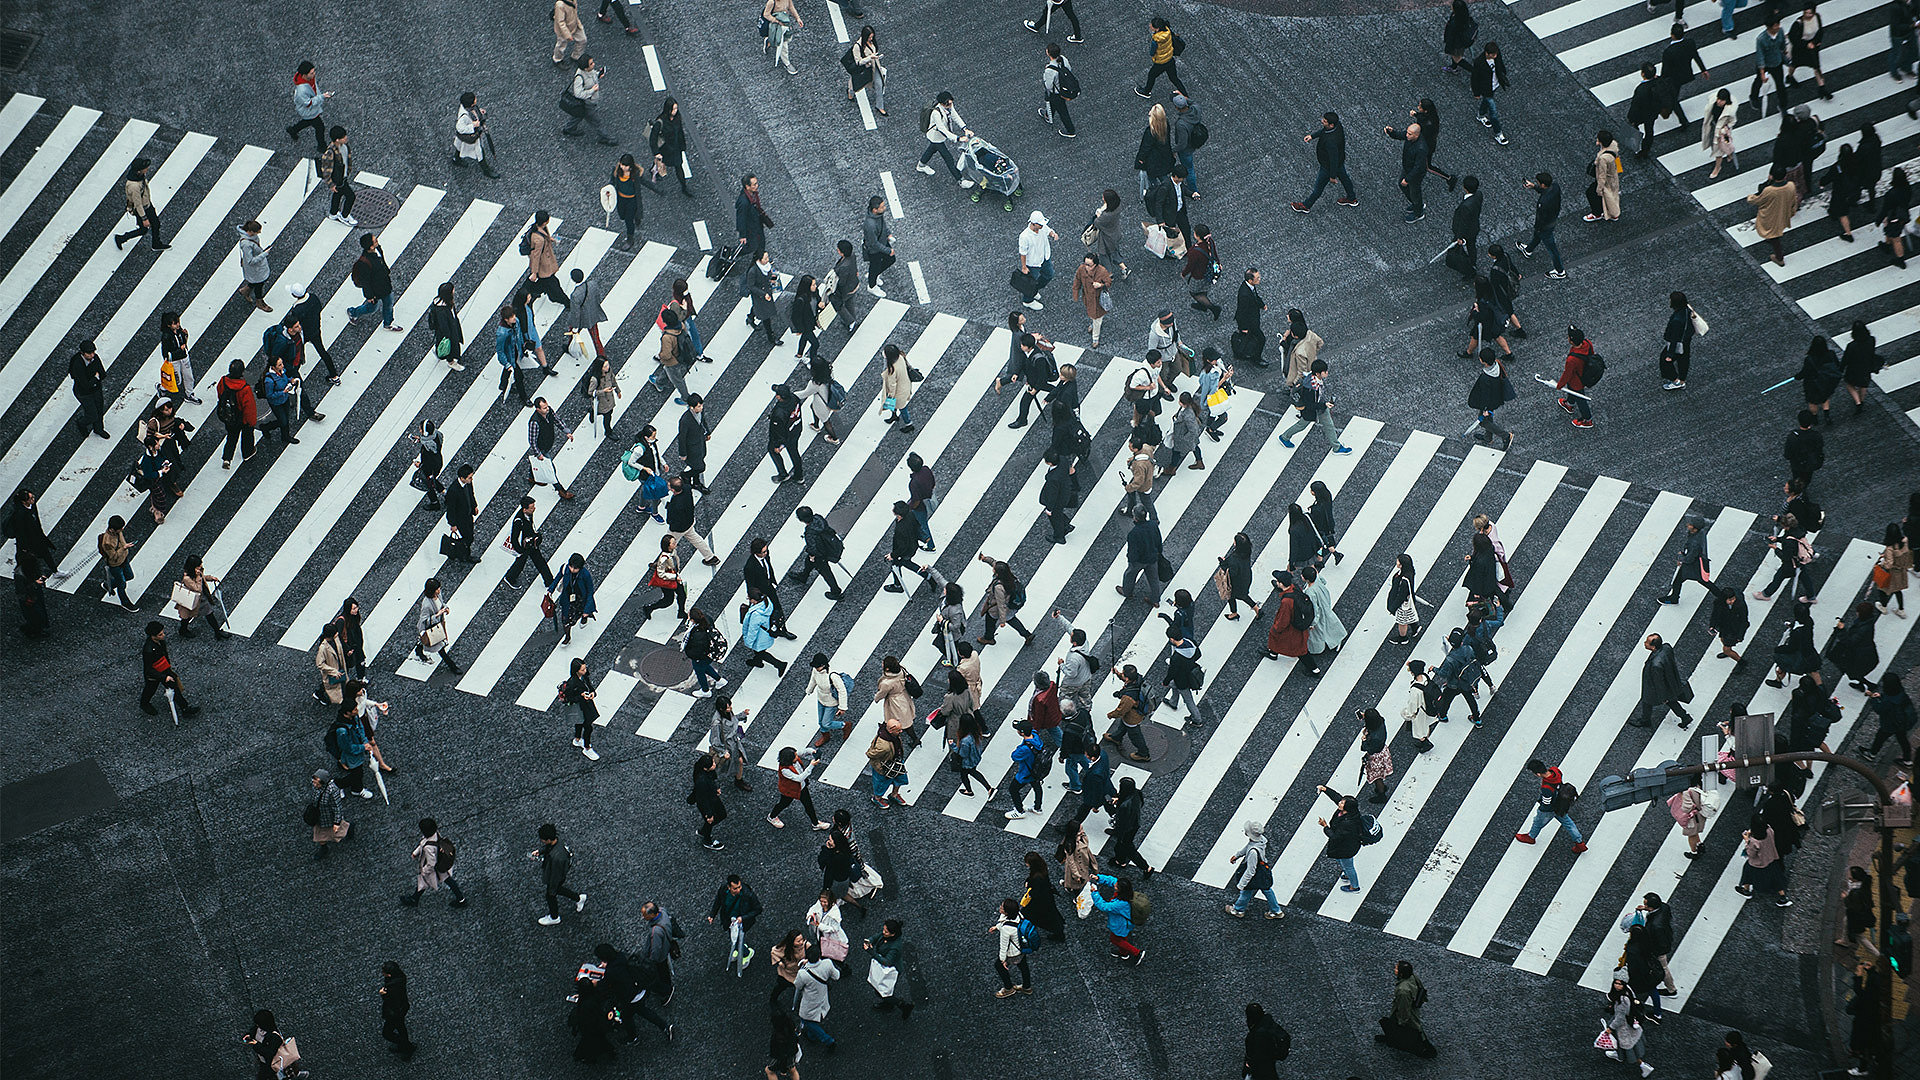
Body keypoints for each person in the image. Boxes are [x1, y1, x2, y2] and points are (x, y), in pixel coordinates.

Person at [1292, 111, 1358, 213]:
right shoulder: (1337, 126)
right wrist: (1313, 136)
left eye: (1325, 121)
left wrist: (1332, 176)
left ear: (1331, 124)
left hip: (1328, 166)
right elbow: (1324, 131)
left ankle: (1306, 206)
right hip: (1340, 161)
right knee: (1345, 179)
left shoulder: (1330, 142)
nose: (1322, 121)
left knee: (1318, 188)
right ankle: (1352, 198)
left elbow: (1333, 159)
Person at [1378, 960, 1436, 1057]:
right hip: (1412, 1004)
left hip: (1407, 1010)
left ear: (1401, 973)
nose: (1394, 969)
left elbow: (1403, 1009)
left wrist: (1402, 1021)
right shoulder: (1412, 977)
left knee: (1414, 1027)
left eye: (1396, 968)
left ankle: (1427, 1048)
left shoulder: (1403, 990)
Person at [1225, 820, 1283, 918]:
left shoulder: (1253, 853)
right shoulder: (1261, 840)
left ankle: (1238, 910)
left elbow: (1251, 870)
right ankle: (1276, 911)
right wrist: (1238, 855)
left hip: (1256, 874)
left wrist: (1241, 884)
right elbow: (1249, 846)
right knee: (1267, 889)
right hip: (1263, 870)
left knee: (1246, 890)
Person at [531, 823, 585, 926]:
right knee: (559, 890)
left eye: (543, 839)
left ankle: (554, 917)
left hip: (556, 876)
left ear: (548, 840)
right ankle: (578, 898)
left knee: (550, 896)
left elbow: (555, 876)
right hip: (559, 874)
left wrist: (552, 889)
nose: (541, 841)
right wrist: (540, 851)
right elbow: (548, 848)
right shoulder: (557, 842)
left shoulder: (557, 858)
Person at [1317, 785, 1368, 892]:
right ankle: (1346, 874)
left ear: (1346, 807)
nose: (1339, 803)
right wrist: (1325, 789)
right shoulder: (1349, 811)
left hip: (1346, 848)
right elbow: (1336, 797)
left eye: (1342, 803)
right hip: (1344, 845)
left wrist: (1325, 826)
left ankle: (1354, 886)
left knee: (1349, 866)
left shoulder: (1348, 823)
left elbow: (1335, 837)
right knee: (1343, 862)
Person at [113, 158, 168, 252]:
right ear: (139, 170)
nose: (147, 169)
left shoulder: (140, 176)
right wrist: (144, 218)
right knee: (143, 230)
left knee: (156, 224)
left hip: (147, 205)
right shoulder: (134, 186)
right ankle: (121, 238)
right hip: (141, 210)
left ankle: (156, 244)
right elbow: (138, 204)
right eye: (145, 168)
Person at [561, 56, 618, 145]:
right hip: (587, 104)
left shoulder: (588, 71)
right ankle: (606, 138)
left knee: (578, 116)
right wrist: (592, 90)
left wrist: (598, 74)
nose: (593, 64)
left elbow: (592, 74)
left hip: (586, 103)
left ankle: (569, 129)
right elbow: (578, 94)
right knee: (596, 122)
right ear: (585, 68)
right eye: (591, 64)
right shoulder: (579, 78)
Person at [1747, 167, 1798, 266]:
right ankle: (1772, 241)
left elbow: (1758, 201)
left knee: (1774, 235)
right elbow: (1793, 199)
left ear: (1772, 176)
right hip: (1783, 212)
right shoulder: (1791, 185)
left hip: (1771, 214)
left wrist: (1750, 197)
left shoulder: (1769, 190)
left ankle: (1779, 258)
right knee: (1777, 229)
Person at [1603, 977, 1653, 1076]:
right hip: (1629, 1022)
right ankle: (1618, 1053)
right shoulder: (1628, 990)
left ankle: (1643, 1066)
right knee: (1624, 1042)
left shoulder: (1622, 999)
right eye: (1616, 983)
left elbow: (1620, 1018)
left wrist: (1611, 1028)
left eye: (1619, 984)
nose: (1617, 986)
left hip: (1624, 1027)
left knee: (1631, 1048)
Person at [1863, 672, 1914, 765]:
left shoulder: (1889, 701)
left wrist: (1873, 698)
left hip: (1891, 724)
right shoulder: (1900, 691)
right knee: (1902, 739)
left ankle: (1872, 754)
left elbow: (1879, 709)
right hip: (1903, 721)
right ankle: (1907, 760)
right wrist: (1881, 696)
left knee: (1880, 737)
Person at [1385, 120, 1431, 222]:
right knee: (1404, 187)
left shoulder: (1421, 148)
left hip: (1415, 174)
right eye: (1407, 132)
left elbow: (1418, 167)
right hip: (1408, 168)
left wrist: (1408, 179)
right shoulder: (1411, 137)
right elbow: (1400, 135)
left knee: (1414, 191)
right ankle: (1417, 204)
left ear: (1416, 135)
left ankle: (1418, 213)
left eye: (1409, 134)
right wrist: (1391, 132)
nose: (1406, 135)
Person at [1470, 41, 1511, 145]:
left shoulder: (1495, 55)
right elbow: (1474, 78)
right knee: (1493, 113)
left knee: (1486, 102)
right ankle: (1498, 134)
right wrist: (1476, 92)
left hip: (1495, 85)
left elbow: (1500, 64)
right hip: (1486, 89)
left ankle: (1481, 115)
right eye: (1493, 55)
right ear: (1487, 53)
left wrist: (1503, 74)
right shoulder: (1479, 63)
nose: (1495, 56)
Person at [1014, 211, 1057, 310]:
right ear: (1033, 223)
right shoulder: (1024, 236)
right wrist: (1024, 267)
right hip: (1033, 263)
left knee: (1049, 275)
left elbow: (1047, 230)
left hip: (1044, 258)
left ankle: (1034, 290)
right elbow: (1023, 253)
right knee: (1030, 283)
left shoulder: (1041, 228)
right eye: (1040, 224)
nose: (1042, 225)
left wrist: (1052, 234)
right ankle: (1027, 300)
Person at [286, 61, 332, 153]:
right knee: (320, 127)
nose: (314, 74)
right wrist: (322, 97)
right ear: (304, 75)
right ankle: (321, 146)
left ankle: (293, 130)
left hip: (310, 111)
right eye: (312, 73)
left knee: (307, 122)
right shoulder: (301, 91)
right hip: (309, 110)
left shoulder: (308, 79)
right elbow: (308, 103)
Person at [690, 750, 730, 851]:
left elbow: (713, 778)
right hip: (708, 802)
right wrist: (708, 814)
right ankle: (707, 840)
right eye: (712, 764)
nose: (714, 764)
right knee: (714, 818)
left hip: (712, 797)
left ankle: (704, 830)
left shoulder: (705, 771)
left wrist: (716, 787)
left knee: (721, 815)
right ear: (705, 768)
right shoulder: (701, 781)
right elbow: (702, 799)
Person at [1135, 17, 1185, 97]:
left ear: (1157, 29)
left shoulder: (1156, 40)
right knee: (1174, 78)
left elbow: (1152, 53)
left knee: (1152, 75)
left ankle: (1146, 92)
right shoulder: (1167, 31)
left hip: (1161, 62)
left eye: (1151, 25)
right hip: (1170, 59)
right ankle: (1185, 94)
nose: (1150, 25)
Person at [991, 898, 1031, 997]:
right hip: (1021, 948)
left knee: (999, 966)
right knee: (1023, 966)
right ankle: (1027, 987)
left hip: (1013, 953)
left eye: (1002, 907)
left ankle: (1008, 988)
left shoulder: (1006, 929)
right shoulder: (1019, 916)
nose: (1000, 907)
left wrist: (1002, 960)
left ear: (1007, 912)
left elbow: (1004, 946)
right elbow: (1006, 922)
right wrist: (997, 927)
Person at [306, 768, 350, 858]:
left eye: (316, 783)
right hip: (319, 815)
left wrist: (336, 822)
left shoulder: (332, 791)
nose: (314, 784)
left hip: (328, 817)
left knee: (338, 831)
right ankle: (323, 848)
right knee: (319, 834)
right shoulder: (316, 786)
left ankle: (349, 828)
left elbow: (337, 808)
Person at [319, 126, 358, 226]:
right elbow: (326, 170)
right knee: (351, 196)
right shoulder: (330, 153)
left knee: (338, 194)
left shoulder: (344, 146)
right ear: (337, 140)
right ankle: (344, 216)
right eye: (343, 137)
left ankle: (333, 213)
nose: (346, 138)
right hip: (338, 179)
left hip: (343, 176)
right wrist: (331, 184)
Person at [376, 962, 414, 1060]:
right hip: (402, 1008)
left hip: (395, 1012)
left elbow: (391, 1001)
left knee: (387, 1033)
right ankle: (406, 1046)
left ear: (389, 974)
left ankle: (406, 1046)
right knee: (401, 1028)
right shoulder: (400, 978)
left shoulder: (392, 986)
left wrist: (383, 994)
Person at [1242, 1004, 1291, 1080]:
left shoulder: (1256, 1035)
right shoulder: (1268, 1023)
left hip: (1261, 1064)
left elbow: (1253, 1054)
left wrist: (1248, 1065)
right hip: (1270, 1059)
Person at [1585, 131, 1623, 222]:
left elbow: (1602, 176)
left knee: (1592, 193)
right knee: (1611, 194)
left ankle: (1597, 214)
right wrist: (1618, 170)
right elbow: (1617, 159)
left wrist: (1599, 189)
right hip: (1613, 176)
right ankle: (1611, 213)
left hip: (1607, 179)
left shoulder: (1603, 158)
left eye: (1598, 140)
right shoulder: (1613, 145)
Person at [1040, 43, 1076, 139]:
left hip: (1056, 93)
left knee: (1063, 111)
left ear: (1048, 53)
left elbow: (1048, 86)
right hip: (1064, 89)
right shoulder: (1063, 59)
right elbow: (1069, 69)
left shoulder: (1050, 70)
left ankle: (1071, 130)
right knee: (1054, 104)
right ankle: (1048, 115)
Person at [1441, 0, 1476, 71]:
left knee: (1457, 59)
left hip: (1456, 44)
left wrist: (1448, 46)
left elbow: (1451, 35)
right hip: (1460, 41)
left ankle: (1474, 71)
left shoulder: (1455, 22)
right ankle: (1453, 67)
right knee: (1456, 56)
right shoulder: (1464, 16)